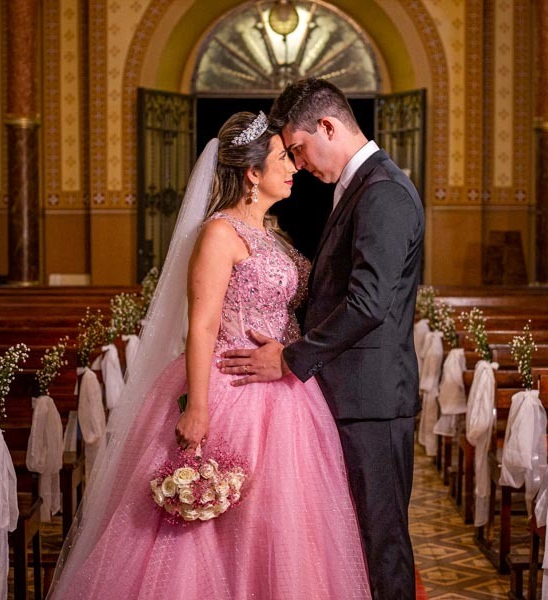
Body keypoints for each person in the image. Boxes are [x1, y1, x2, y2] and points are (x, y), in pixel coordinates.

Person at [47, 111, 371, 599]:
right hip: (231, 387)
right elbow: (201, 325)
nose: (294, 168)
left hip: (284, 391)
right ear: (252, 173)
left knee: (283, 525)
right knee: (212, 531)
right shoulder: (220, 233)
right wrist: (197, 407)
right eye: (284, 159)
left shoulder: (270, 233)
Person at [218, 79, 425, 599]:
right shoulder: (358, 186)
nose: (298, 162)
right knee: (351, 542)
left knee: (383, 545)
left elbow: (368, 303)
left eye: (299, 148)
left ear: (328, 127)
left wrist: (289, 357)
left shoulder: (383, 191)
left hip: (372, 402)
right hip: (351, 395)